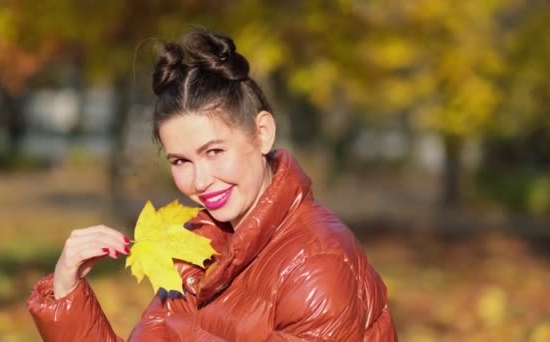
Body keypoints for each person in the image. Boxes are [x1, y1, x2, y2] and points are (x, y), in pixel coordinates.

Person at [27, 29, 397, 341]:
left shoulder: (317, 263)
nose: (200, 180)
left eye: (215, 151)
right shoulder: (198, 250)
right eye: (181, 161)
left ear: (262, 133)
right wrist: (67, 289)